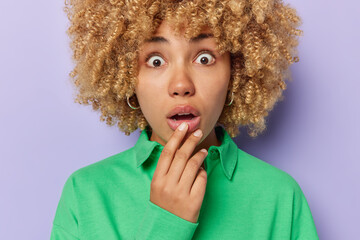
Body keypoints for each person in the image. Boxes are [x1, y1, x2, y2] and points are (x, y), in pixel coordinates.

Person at [51, 0, 319, 239]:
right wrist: (166, 224)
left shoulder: (281, 197)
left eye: (205, 58)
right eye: (156, 61)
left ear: (235, 73)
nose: (181, 85)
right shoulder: (85, 193)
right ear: (127, 78)